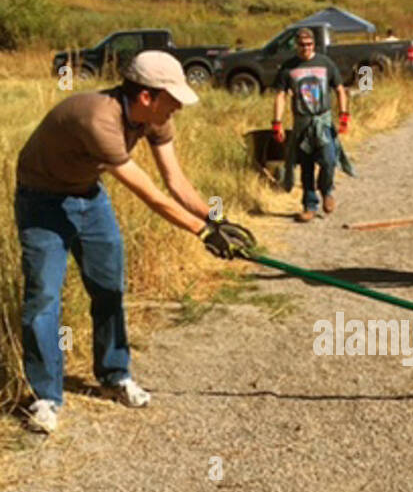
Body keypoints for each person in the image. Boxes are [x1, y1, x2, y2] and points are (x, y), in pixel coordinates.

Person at [15, 50, 253, 433]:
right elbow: (152, 196)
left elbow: (176, 182)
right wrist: (202, 233)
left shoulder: (155, 118)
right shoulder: (99, 120)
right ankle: (45, 398)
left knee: (109, 286)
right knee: (44, 296)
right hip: (42, 201)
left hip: (89, 195)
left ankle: (114, 376)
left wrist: (218, 219)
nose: (177, 109)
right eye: (172, 100)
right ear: (146, 96)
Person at [271, 27, 349, 223]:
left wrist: (344, 116)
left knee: (329, 160)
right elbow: (280, 95)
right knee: (306, 166)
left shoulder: (325, 63)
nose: (305, 48)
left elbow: (340, 89)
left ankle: (326, 190)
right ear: (296, 45)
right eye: (302, 44)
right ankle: (309, 206)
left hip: (322, 122)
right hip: (302, 124)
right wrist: (277, 122)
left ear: (314, 44)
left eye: (309, 44)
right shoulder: (288, 68)